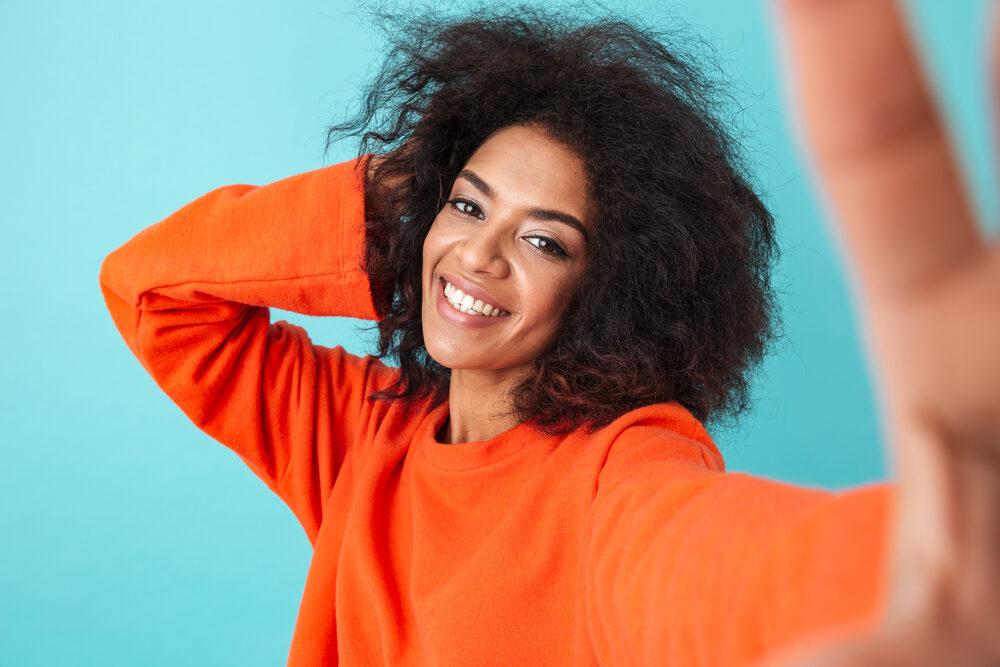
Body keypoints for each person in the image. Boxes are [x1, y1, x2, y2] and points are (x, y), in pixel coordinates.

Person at [98, 2, 1000, 665]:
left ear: (607, 288)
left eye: (542, 239)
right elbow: (151, 291)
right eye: (466, 205)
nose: (478, 255)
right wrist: (390, 211)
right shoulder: (360, 433)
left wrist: (899, 570)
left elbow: (714, 561)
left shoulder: (618, 475)